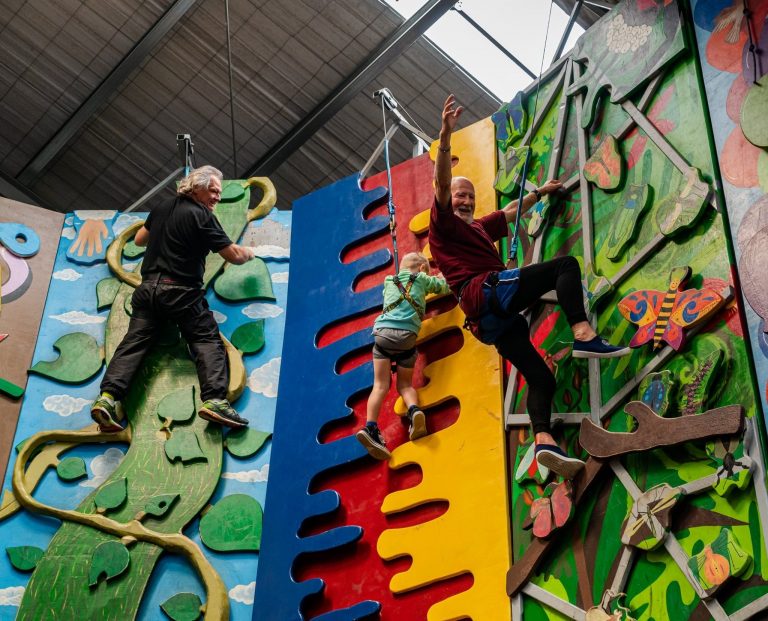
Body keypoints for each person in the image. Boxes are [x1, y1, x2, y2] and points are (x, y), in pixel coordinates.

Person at [429, 95, 630, 479]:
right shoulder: (443, 226)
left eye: (470, 195)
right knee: (565, 267)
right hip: (485, 291)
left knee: (540, 377)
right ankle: (583, 332)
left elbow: (505, 214)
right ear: (448, 199)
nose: (466, 199)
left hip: (491, 322)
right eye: (460, 195)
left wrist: (542, 192)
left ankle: (543, 442)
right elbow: (441, 182)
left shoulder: (475, 227)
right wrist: (445, 136)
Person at [91, 165, 256, 432]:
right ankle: (214, 400)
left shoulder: (162, 206)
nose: (217, 197)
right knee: (206, 340)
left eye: (219, 193)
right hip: (181, 291)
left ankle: (108, 398)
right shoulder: (202, 216)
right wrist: (249, 252)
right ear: (197, 187)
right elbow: (233, 256)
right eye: (213, 191)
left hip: (148, 291)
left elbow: (141, 240)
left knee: (133, 344)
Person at [356, 252, 450, 460]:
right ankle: (414, 410)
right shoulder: (422, 279)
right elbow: (443, 286)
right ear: (422, 269)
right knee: (405, 385)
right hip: (406, 338)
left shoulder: (389, 281)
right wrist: (442, 276)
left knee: (380, 386)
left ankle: (370, 427)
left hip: (382, 336)